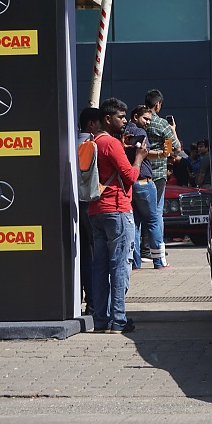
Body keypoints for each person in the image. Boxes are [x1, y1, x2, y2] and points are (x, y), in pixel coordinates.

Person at [88, 98, 147, 333]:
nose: (124, 121)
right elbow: (131, 176)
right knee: (120, 266)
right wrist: (139, 157)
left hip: (96, 210)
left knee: (100, 268)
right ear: (107, 118)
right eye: (121, 117)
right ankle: (119, 320)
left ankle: (101, 320)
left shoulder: (94, 142)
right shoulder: (111, 144)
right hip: (117, 209)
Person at [124, 105, 165, 270]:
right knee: (153, 221)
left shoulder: (123, 133)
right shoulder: (139, 133)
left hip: (129, 183)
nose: (148, 122)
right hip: (143, 182)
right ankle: (159, 261)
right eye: (145, 119)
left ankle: (135, 262)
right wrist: (162, 154)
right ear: (135, 116)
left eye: (149, 119)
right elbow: (143, 151)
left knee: (135, 223)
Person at [144, 89, 181, 269]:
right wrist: (173, 131)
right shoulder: (161, 123)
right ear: (158, 105)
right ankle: (158, 254)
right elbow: (175, 147)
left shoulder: (138, 120)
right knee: (156, 214)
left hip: (139, 172)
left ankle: (139, 255)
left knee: (138, 215)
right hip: (158, 174)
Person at [77, 107, 100, 315]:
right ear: (91, 124)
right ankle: (94, 302)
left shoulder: (68, 143)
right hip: (88, 205)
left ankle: (86, 300)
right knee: (92, 253)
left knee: (82, 253)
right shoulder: (91, 146)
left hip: (69, 204)